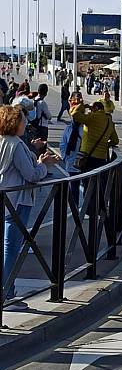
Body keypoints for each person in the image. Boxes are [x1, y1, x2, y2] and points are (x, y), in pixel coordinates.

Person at [0, 105, 58, 310]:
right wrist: (45, 164)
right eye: (23, 120)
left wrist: (35, 156)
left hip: (6, 198)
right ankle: (7, 294)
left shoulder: (3, 141)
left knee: (5, 247)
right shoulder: (15, 144)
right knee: (11, 248)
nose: (26, 122)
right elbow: (31, 175)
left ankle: (6, 292)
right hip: (16, 201)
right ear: (15, 123)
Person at [71, 100, 119, 172]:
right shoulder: (110, 122)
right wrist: (106, 144)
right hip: (102, 157)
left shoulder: (92, 117)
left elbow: (74, 114)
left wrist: (83, 106)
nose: (89, 111)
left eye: (90, 108)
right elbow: (115, 140)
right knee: (98, 181)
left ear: (96, 108)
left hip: (88, 155)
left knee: (86, 179)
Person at [59, 93, 83, 206]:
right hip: (71, 162)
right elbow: (63, 144)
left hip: (83, 162)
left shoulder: (85, 128)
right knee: (73, 187)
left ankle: (87, 209)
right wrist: (65, 157)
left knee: (88, 186)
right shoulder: (69, 128)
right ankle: (75, 209)